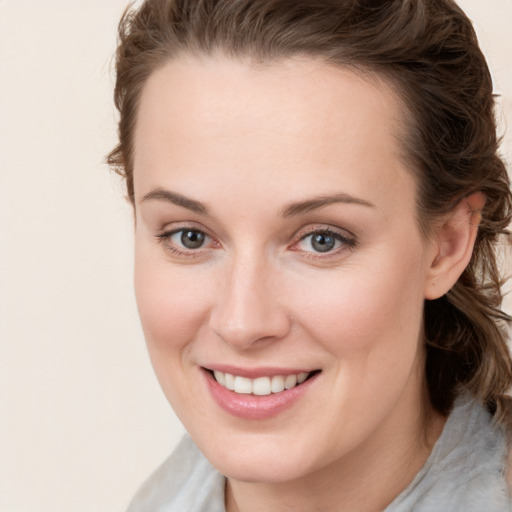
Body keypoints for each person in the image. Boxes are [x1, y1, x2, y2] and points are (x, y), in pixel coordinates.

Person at [107, 0, 512, 510]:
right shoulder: (165, 496)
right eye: (189, 236)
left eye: (323, 239)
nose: (241, 323)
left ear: (447, 245)